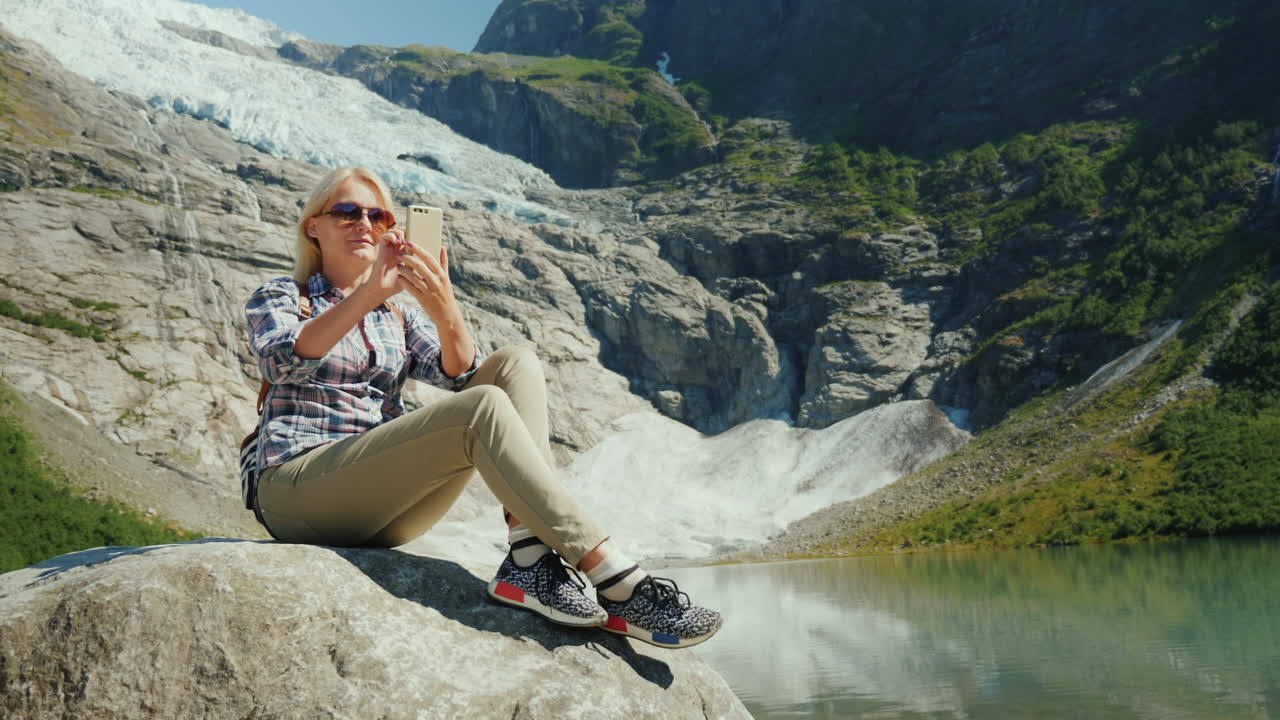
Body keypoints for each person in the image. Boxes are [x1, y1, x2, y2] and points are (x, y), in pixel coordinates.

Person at [244, 167, 721, 649]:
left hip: (378, 506)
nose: (364, 224)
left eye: (377, 214)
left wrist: (444, 307)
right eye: (346, 212)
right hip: (297, 490)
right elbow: (282, 360)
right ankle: (618, 579)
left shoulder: (398, 317)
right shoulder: (284, 295)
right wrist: (369, 294)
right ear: (313, 226)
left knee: (516, 364)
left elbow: (462, 376)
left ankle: (529, 557)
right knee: (482, 407)